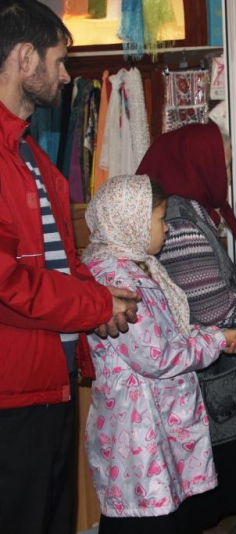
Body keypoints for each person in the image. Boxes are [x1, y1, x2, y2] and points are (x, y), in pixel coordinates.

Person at [0, 2, 140, 532]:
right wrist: (96, 304)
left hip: (48, 381)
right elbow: (7, 284)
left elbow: (60, 259)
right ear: (24, 58)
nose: (65, 76)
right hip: (12, 393)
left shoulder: (29, 153)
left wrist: (102, 302)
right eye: (59, 61)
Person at [136, 122, 236, 530]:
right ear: (197, 163)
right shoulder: (180, 219)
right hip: (204, 385)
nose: (227, 174)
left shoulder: (188, 211)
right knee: (201, 500)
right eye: (223, 164)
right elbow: (212, 308)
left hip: (209, 376)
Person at [82, 175, 236, 532]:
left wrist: (218, 336)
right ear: (132, 221)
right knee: (143, 519)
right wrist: (216, 340)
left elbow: (171, 331)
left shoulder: (138, 265)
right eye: (160, 219)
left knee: (168, 514)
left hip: (157, 418)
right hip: (136, 426)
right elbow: (157, 356)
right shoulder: (115, 278)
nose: (167, 228)